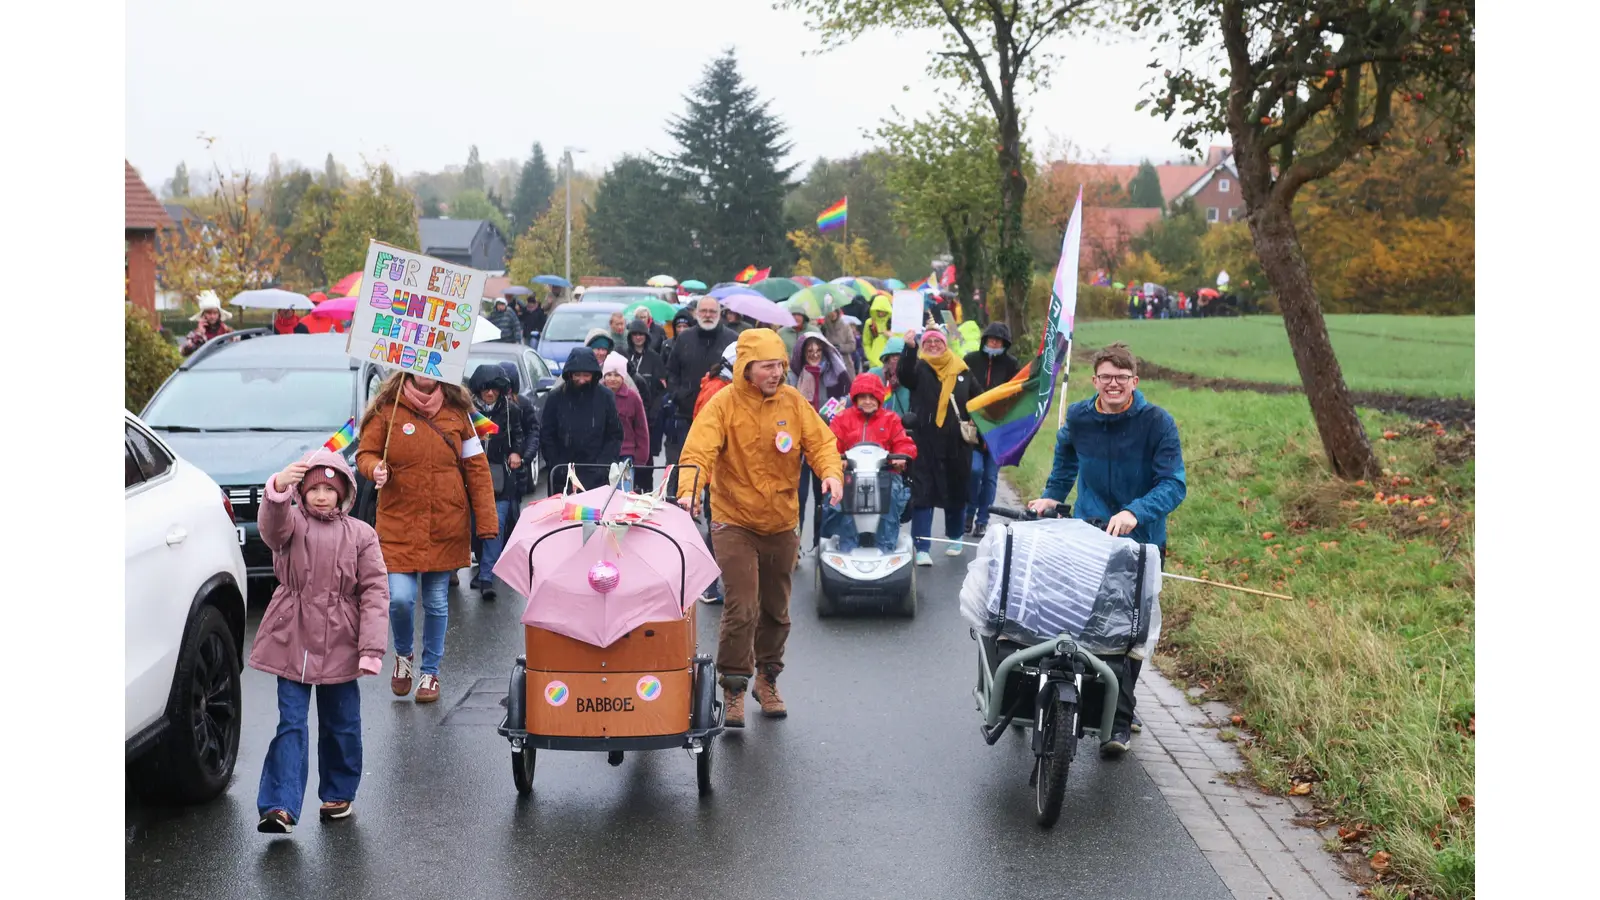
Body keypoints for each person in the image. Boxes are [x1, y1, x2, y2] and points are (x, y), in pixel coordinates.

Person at [676, 329, 843, 727]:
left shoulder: (793, 401)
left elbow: (822, 443)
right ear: (746, 368)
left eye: (780, 365)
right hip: (733, 520)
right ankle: (734, 687)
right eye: (767, 366)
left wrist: (831, 474)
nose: (776, 373)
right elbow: (698, 451)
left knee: (776, 610)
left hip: (782, 522)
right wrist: (689, 491)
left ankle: (767, 680)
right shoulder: (723, 404)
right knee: (742, 606)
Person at [1027, 342, 1186, 755]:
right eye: (1106, 377)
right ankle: (1080, 697)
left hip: (1141, 542)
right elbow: (1065, 463)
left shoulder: (1157, 423)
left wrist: (1136, 511)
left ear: (1135, 381)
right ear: (1094, 380)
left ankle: (1118, 720)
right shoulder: (1079, 418)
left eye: (1122, 377)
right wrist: (1052, 495)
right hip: (1089, 536)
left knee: (1130, 632)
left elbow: (1173, 483)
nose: (1113, 384)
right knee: (1085, 619)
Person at [250, 450, 389, 833]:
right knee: (291, 722)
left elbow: (375, 591)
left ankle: (338, 791)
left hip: (341, 640)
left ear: (344, 492)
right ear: (303, 492)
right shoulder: (291, 524)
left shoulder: (361, 535)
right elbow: (271, 528)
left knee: (341, 722)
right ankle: (280, 805)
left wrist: (371, 648)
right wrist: (278, 489)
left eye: (330, 489)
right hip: (292, 636)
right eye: (314, 489)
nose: (322, 496)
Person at [356, 372, 498, 704]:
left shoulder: (458, 412)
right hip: (398, 522)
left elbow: (477, 468)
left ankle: (430, 672)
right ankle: (404, 656)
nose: (426, 372)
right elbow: (365, 453)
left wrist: (487, 523)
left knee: (435, 602)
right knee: (400, 598)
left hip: (445, 523)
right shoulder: (387, 409)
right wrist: (374, 468)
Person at [898, 329, 974, 566]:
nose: (933, 344)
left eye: (937, 341)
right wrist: (909, 348)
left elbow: (978, 400)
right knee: (923, 493)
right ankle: (921, 547)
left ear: (945, 344)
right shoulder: (919, 368)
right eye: (928, 341)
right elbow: (904, 375)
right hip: (924, 442)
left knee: (956, 491)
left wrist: (976, 421)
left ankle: (955, 537)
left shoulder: (962, 371)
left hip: (956, 444)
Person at [821, 373, 915, 552]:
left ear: (879, 398)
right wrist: (837, 460)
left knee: (891, 495)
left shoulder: (891, 419)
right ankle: (847, 546)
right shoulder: (842, 419)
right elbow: (830, 445)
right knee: (841, 497)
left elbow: (905, 443)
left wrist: (901, 456)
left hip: (885, 474)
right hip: (850, 475)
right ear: (855, 398)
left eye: (872, 397)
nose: (867, 401)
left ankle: (886, 546)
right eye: (862, 397)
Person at [664, 297, 737, 491]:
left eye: (712, 312)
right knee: (682, 468)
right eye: (704, 311)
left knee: (716, 475)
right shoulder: (684, 338)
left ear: (719, 314)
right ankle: (681, 504)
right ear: (696, 313)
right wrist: (678, 394)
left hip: (720, 420)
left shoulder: (732, 340)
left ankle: (712, 507)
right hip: (685, 415)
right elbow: (671, 371)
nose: (708, 315)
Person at [467, 365, 525, 600]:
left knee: (496, 526)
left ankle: (487, 577)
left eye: (494, 389)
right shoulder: (466, 412)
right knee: (474, 528)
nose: (490, 393)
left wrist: (517, 452)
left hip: (501, 478)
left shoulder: (511, 410)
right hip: (471, 477)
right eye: (485, 389)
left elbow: (519, 435)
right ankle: (484, 566)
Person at [962, 323, 1020, 539]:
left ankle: (982, 520)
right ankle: (968, 513)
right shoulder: (970, 360)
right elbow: (961, 389)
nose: (994, 343)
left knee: (990, 477)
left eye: (998, 340)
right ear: (984, 340)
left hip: (998, 431)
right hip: (973, 428)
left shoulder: (1011, 365)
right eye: (991, 339)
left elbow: (1018, 393)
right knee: (974, 471)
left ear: (1005, 343)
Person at [790, 334, 851, 541]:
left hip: (824, 444)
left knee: (823, 498)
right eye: (809, 351)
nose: (814, 355)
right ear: (802, 354)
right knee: (797, 498)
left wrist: (843, 404)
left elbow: (849, 397)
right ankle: (795, 545)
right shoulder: (793, 376)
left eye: (818, 351)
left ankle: (821, 543)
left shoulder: (835, 373)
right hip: (798, 445)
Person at [538, 347, 624, 491]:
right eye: (577, 375)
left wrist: (603, 466)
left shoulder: (605, 397)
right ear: (569, 374)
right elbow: (547, 435)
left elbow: (614, 435)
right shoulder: (556, 397)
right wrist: (558, 466)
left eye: (586, 375)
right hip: (563, 475)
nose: (581, 380)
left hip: (598, 476)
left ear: (594, 375)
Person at [623, 319, 668, 489]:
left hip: (648, 416)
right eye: (634, 334)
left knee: (646, 457)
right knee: (625, 457)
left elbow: (661, 388)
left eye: (641, 334)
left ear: (646, 336)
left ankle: (646, 490)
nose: (638, 337)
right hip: (626, 415)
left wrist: (653, 413)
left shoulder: (654, 358)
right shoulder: (624, 356)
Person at [602, 353, 651, 490]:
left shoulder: (632, 397)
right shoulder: (597, 395)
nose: (612, 379)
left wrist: (641, 458)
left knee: (624, 492)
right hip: (602, 455)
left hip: (625, 455)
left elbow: (641, 429)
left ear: (623, 377)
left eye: (617, 375)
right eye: (609, 374)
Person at [496, 360, 541, 508]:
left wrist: (524, 457)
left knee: (512, 508)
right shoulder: (491, 406)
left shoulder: (523, 404)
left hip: (516, 469)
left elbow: (533, 432)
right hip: (496, 467)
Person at [869, 336, 912, 417]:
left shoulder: (911, 377)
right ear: (887, 358)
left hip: (903, 422)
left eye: (899, 355)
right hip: (878, 420)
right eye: (893, 356)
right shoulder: (874, 374)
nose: (896, 359)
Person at [819, 306, 858, 378]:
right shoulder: (824, 327)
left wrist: (840, 347)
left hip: (845, 364)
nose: (833, 313)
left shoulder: (845, 327)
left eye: (835, 311)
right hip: (830, 365)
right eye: (830, 311)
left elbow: (852, 345)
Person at [861, 294, 894, 369]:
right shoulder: (869, 322)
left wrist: (892, 337)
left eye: (883, 311)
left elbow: (901, 340)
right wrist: (870, 356)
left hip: (890, 361)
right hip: (875, 362)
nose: (880, 313)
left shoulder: (894, 322)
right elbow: (866, 342)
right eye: (878, 311)